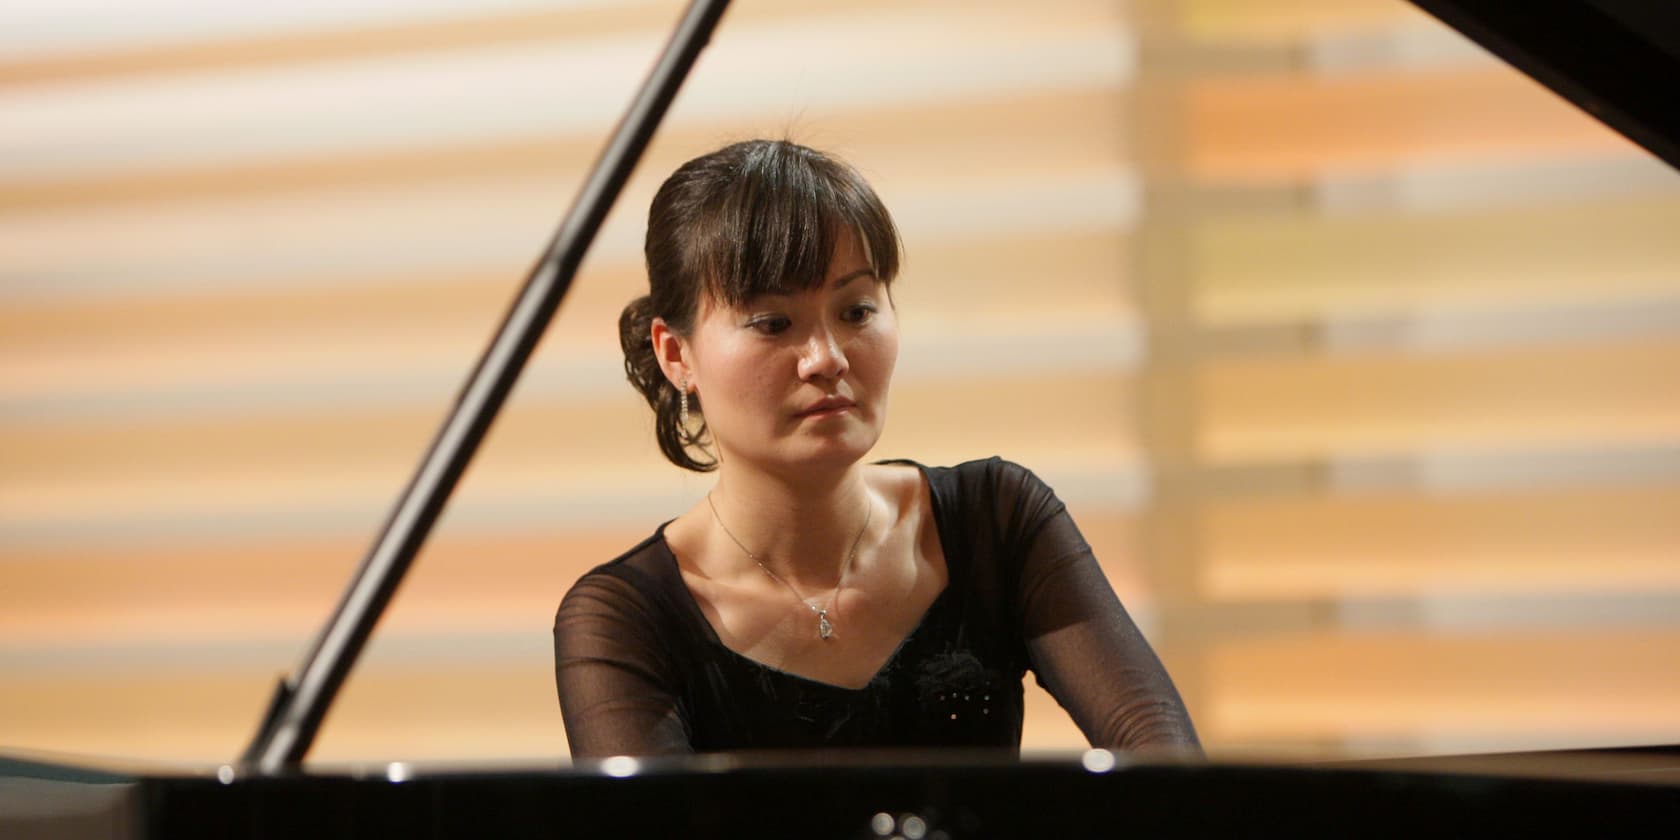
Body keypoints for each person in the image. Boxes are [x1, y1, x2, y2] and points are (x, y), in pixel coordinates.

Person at [553, 139, 1199, 757]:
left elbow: (1167, 769)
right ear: (676, 354)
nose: (827, 359)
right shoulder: (624, 619)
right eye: (774, 323)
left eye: (857, 311)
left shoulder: (997, 518)